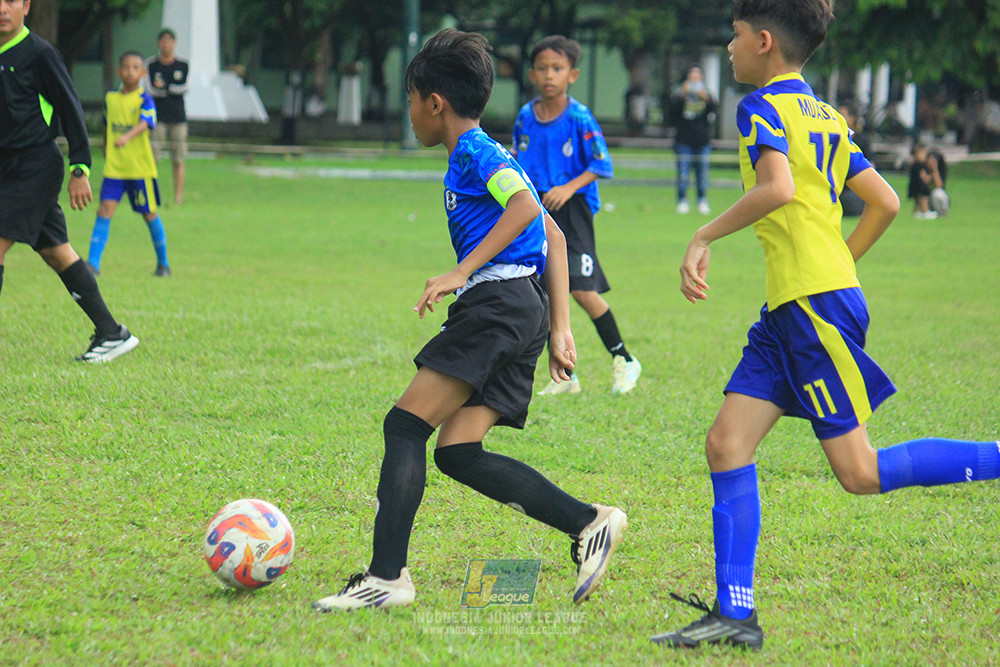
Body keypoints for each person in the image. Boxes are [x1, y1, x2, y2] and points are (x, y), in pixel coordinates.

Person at [653, 0, 999, 651]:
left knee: (859, 471)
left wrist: (704, 234)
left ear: (762, 42)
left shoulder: (759, 108)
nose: (727, 50)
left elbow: (778, 188)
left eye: (732, 39)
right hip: (797, 306)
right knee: (727, 443)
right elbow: (886, 201)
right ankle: (735, 612)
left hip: (812, 308)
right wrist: (839, 263)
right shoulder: (825, 116)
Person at [313, 29, 627, 612]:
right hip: (523, 308)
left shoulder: (475, 151)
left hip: (497, 305)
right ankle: (589, 522)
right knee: (457, 450)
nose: (409, 113)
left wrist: (462, 270)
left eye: (411, 100)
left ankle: (387, 577)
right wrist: (559, 328)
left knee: (405, 426)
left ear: (435, 102)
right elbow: (552, 237)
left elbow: (529, 210)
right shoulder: (492, 152)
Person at [0, 0, 138, 363]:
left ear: (26, 6)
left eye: (11, 0)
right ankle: (112, 333)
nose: (3, 8)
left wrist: (81, 167)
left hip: (34, 167)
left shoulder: (40, 54)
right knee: (56, 252)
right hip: (6, 168)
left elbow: (70, 107)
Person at [512, 35, 642, 396]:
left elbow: (602, 162)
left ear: (572, 74)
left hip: (574, 211)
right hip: (538, 209)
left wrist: (569, 187)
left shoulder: (579, 116)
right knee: (546, 291)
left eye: (557, 68)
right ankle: (567, 376)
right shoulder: (526, 116)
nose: (549, 75)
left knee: (583, 291)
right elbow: (519, 162)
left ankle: (625, 359)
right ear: (532, 74)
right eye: (542, 68)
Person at [87, 51, 171, 277]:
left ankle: (163, 264)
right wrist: (106, 145)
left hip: (139, 169)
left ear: (143, 73)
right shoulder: (111, 99)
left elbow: (146, 123)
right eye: (126, 67)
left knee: (149, 213)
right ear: (118, 71)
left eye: (136, 67)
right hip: (115, 169)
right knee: (104, 210)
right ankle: (92, 264)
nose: (130, 72)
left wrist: (126, 137)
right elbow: (107, 123)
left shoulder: (145, 99)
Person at [145, 28, 189, 206]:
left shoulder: (182, 65)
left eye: (169, 40)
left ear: (174, 43)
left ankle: (178, 197)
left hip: (178, 119)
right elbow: (151, 89)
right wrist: (167, 89)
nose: (166, 44)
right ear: (158, 43)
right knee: (152, 158)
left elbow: (184, 87)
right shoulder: (151, 65)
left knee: (178, 158)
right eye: (163, 40)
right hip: (157, 118)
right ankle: (151, 195)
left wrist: (166, 87)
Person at [670, 65, 718, 215]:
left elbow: (714, 109)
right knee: (683, 173)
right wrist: (681, 96)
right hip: (683, 140)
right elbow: (671, 113)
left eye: (697, 76)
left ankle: (702, 200)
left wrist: (706, 98)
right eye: (692, 76)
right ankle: (682, 200)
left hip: (702, 140)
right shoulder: (679, 93)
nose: (694, 79)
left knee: (702, 172)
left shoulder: (707, 93)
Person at [907, 142, 941, 219]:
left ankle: (916, 212)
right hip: (920, 186)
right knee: (924, 198)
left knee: (917, 201)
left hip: (914, 185)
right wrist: (929, 178)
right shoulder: (920, 165)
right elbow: (923, 176)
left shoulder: (914, 164)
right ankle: (926, 211)